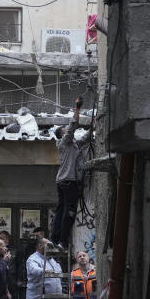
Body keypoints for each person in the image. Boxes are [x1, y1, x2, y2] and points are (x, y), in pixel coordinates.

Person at [51, 96, 92, 249]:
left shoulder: (73, 144)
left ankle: (54, 239)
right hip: (68, 181)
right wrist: (77, 109)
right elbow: (73, 125)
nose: (67, 130)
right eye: (64, 130)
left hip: (63, 181)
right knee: (69, 212)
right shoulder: (64, 142)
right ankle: (62, 241)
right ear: (62, 134)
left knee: (61, 210)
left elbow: (85, 139)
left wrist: (93, 126)